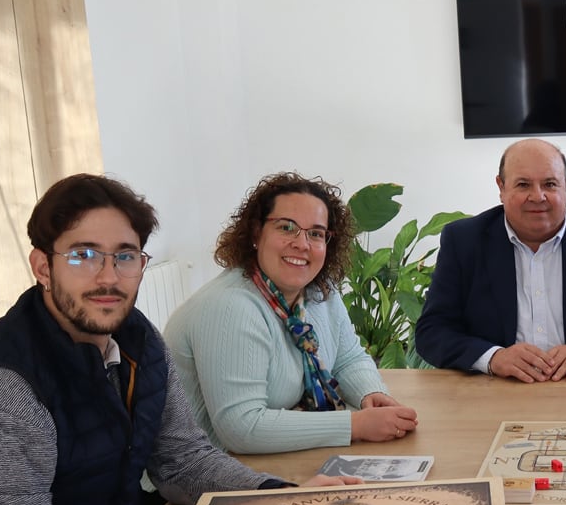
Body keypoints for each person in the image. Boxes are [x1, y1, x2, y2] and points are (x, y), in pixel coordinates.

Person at [0, 174, 359, 505]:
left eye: (125, 256)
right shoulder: (10, 386)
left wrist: (284, 496)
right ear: (42, 266)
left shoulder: (137, 339)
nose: (108, 277)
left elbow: (181, 461)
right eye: (83, 255)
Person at [164, 173, 417, 454]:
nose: (302, 244)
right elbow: (242, 428)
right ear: (256, 233)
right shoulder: (230, 306)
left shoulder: (320, 292)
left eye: (316, 233)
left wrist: (371, 393)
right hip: (203, 475)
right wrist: (354, 425)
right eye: (287, 227)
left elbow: (348, 358)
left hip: (267, 461)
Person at [414, 139, 566, 380]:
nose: (537, 196)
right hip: (496, 389)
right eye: (523, 184)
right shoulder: (464, 241)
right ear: (501, 188)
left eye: (550, 184)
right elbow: (432, 332)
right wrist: (493, 358)